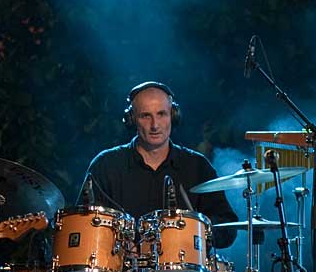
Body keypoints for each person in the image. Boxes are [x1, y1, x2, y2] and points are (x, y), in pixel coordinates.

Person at [77, 81, 236, 248]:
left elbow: (227, 229)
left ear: (173, 115)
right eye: (146, 116)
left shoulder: (197, 166)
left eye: (161, 114)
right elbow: (83, 225)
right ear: (132, 120)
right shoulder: (106, 165)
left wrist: (197, 230)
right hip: (120, 270)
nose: (155, 125)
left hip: (184, 271)